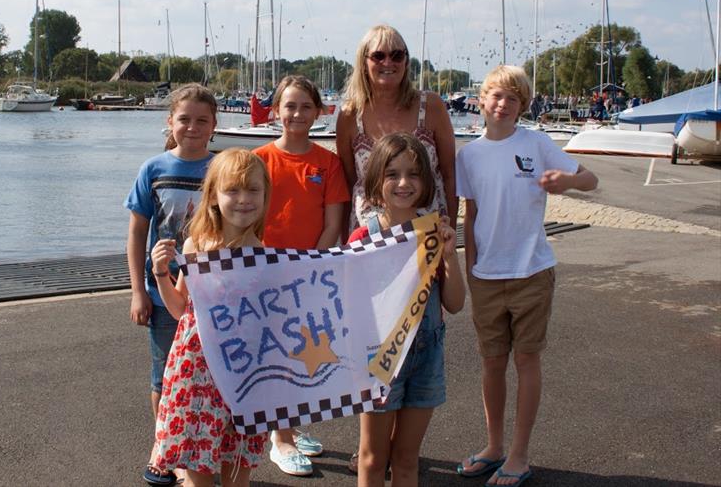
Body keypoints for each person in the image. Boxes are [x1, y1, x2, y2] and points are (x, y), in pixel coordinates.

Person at [455, 65, 598, 487]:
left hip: (531, 270)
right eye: (496, 96)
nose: (503, 104)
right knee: (491, 362)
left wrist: (566, 181)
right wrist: (470, 269)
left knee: (527, 360)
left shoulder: (536, 143)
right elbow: (472, 213)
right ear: (481, 100)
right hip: (486, 275)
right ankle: (494, 446)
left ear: (523, 105)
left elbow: (590, 179)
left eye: (513, 98)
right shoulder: (470, 155)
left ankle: (519, 453)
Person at [149, 148, 272, 487]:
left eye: (253, 190)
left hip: (242, 374)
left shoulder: (264, 256)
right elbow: (179, 309)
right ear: (214, 196)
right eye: (233, 190)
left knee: (237, 471)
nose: (243, 199)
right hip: (196, 370)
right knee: (196, 473)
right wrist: (160, 272)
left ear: (265, 195)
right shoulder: (195, 246)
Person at [348, 133, 465, 487]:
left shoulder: (435, 232)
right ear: (375, 181)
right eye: (392, 174)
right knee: (372, 458)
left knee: (406, 458)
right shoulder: (362, 239)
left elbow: (455, 304)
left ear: (426, 181)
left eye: (414, 174)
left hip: (426, 356)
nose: (403, 183)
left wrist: (449, 257)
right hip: (378, 360)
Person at [253, 75, 350, 476]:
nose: (296, 114)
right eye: (289, 106)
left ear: (319, 112)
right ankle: (281, 440)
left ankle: (289, 424)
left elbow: (333, 222)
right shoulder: (258, 159)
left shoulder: (327, 164)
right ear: (276, 110)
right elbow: (247, 216)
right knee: (278, 355)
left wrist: (312, 264)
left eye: (305, 107)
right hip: (267, 274)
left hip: (310, 274)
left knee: (304, 354)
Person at [124, 84, 217, 486]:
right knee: (165, 375)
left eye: (201, 120)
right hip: (162, 294)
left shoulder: (222, 168)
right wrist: (137, 290)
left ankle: (200, 450)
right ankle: (164, 449)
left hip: (209, 297)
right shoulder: (154, 169)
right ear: (170, 122)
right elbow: (136, 233)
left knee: (206, 377)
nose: (192, 127)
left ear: (214, 125)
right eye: (184, 119)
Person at [336, 24, 456, 238]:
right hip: (369, 236)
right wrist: (346, 240)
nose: (388, 62)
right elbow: (348, 181)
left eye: (397, 55)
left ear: (406, 61)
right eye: (378, 56)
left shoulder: (431, 106)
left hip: (428, 232)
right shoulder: (349, 115)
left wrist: (452, 229)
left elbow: (449, 174)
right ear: (364, 63)